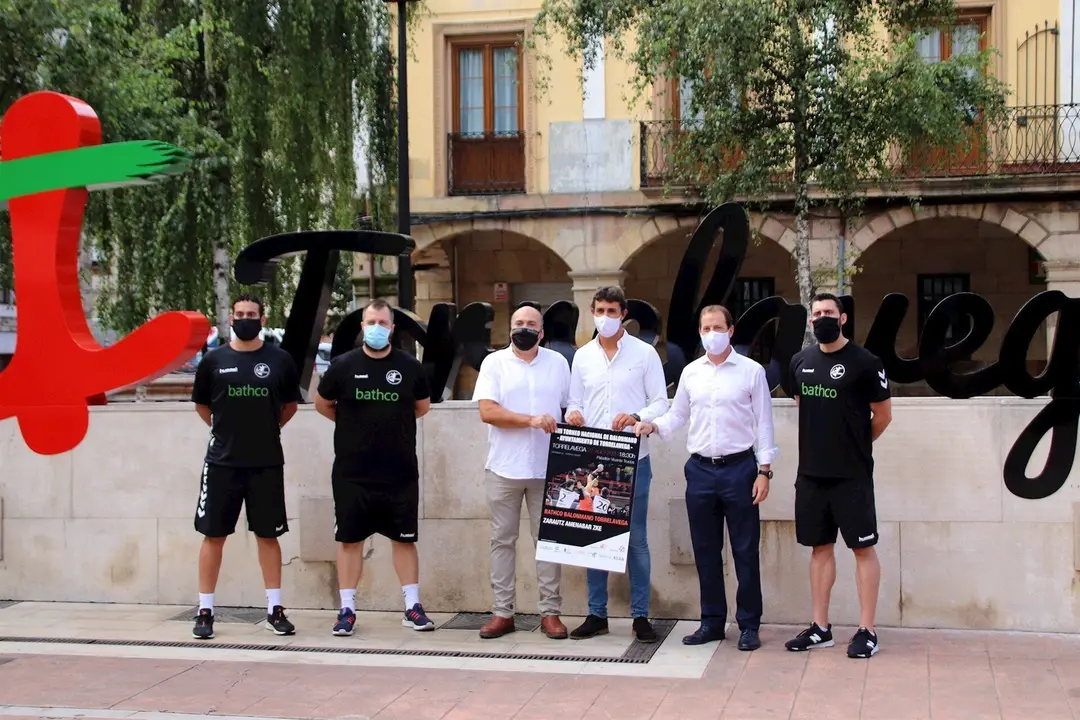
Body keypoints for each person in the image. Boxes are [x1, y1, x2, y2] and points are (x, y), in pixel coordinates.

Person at [633, 305, 777, 651]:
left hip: (740, 469)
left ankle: (749, 624)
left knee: (745, 550)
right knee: (705, 550)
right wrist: (653, 426)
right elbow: (677, 414)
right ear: (700, 332)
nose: (712, 333)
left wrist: (764, 470)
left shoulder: (752, 371)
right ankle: (712, 621)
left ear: (731, 330)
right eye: (706, 328)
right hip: (699, 470)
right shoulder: (691, 373)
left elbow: (764, 423)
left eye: (718, 327)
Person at [314, 298, 434, 636]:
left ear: (392, 329)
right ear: (362, 327)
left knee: (404, 540)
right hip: (353, 473)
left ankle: (412, 607)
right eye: (371, 322)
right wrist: (353, 424)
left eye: (382, 323)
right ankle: (347, 610)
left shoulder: (409, 366)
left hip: (399, 472)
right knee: (349, 541)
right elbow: (322, 403)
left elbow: (422, 406)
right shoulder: (343, 365)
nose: (377, 328)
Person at [785, 292, 892, 659]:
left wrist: (856, 444)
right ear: (810, 320)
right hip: (811, 475)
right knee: (820, 548)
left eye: (829, 312)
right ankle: (820, 627)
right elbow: (804, 404)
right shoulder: (800, 361)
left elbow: (883, 415)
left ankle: (867, 630)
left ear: (843, 318)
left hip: (852, 476)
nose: (822, 318)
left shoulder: (866, 362)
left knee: (862, 548)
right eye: (817, 313)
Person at [190, 293, 301, 640]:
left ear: (262, 319)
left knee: (268, 535)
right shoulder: (214, 360)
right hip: (222, 463)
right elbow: (202, 405)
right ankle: (205, 610)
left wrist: (266, 429)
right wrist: (224, 432)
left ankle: (274, 610)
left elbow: (290, 405)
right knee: (214, 535)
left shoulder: (280, 360)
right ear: (231, 319)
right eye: (239, 314)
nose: (245, 319)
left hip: (266, 462)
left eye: (252, 314)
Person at [565, 286, 669, 643]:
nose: (605, 317)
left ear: (624, 313)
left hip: (632, 457)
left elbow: (661, 402)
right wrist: (573, 413)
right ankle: (597, 614)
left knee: (636, 538)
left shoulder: (644, 353)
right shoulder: (582, 357)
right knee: (595, 537)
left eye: (612, 311)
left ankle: (641, 616)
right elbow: (574, 401)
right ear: (592, 312)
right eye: (600, 311)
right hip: (593, 459)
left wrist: (637, 415)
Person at [472, 305, 572, 640]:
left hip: (548, 467)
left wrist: (574, 415)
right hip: (504, 468)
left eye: (531, 324)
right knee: (502, 541)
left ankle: (551, 613)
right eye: (518, 323)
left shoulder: (558, 363)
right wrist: (530, 420)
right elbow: (487, 411)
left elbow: (570, 405)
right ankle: (503, 613)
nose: (524, 328)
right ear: (510, 328)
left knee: (548, 543)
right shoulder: (494, 363)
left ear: (541, 332)